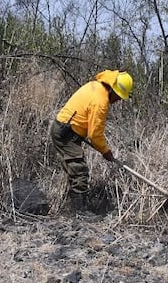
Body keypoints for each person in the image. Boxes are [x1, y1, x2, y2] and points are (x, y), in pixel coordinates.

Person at [49, 69, 133, 213]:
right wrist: (106, 152)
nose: (118, 100)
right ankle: (79, 212)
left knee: (75, 171)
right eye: (118, 96)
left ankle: (70, 207)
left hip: (67, 129)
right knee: (79, 171)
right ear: (112, 90)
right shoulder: (100, 102)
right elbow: (95, 135)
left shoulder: (94, 86)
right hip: (65, 133)